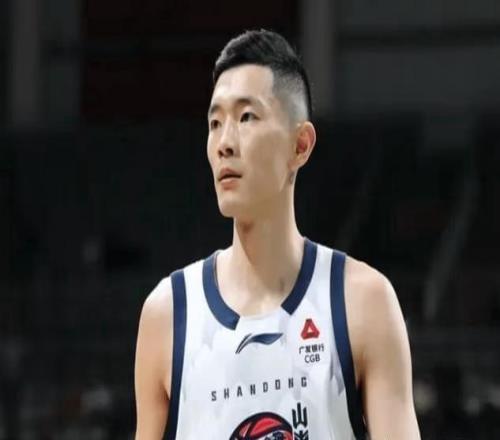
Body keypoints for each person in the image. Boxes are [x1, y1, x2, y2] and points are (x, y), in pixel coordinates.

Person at [134, 29, 421, 440]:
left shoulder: (363, 302)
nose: (224, 142)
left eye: (246, 117)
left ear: (300, 145)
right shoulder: (168, 315)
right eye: (215, 122)